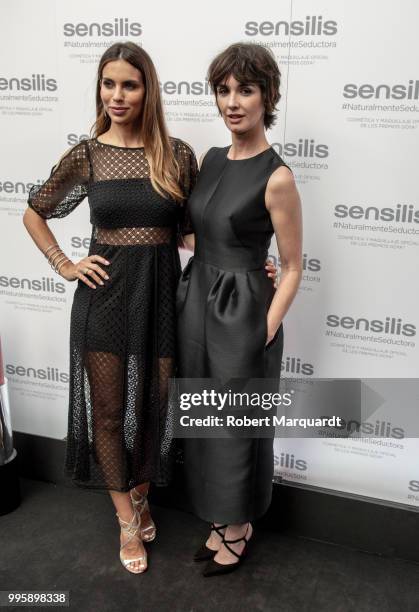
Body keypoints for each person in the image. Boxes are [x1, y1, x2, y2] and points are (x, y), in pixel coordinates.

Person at [23, 41, 198, 574]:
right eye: (109, 83)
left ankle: (141, 492)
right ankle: (125, 515)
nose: (117, 95)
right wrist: (64, 263)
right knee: (107, 412)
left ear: (148, 90)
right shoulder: (88, 154)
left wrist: (247, 263)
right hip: (105, 301)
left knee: (154, 408)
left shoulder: (177, 155)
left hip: (162, 301)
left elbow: (192, 236)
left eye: (130, 84)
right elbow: (35, 212)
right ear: (99, 88)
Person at [177, 42, 302, 576]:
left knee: (236, 424)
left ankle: (238, 526)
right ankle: (218, 517)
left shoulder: (278, 177)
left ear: (267, 97)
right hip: (196, 302)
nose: (233, 102)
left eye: (245, 90)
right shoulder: (210, 159)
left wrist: (264, 329)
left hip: (244, 312)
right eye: (224, 90)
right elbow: (194, 233)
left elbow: (293, 264)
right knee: (203, 420)